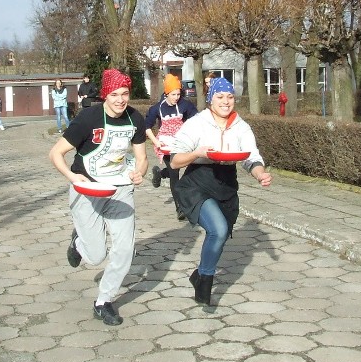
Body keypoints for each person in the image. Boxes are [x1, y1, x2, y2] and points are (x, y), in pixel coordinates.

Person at [49, 69, 148, 326]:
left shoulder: (135, 119)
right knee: (95, 256)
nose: (120, 99)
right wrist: (73, 178)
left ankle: (104, 301)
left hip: (120, 188)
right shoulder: (88, 118)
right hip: (87, 189)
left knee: (125, 248)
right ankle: (78, 243)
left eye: (125, 93)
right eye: (114, 94)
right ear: (105, 94)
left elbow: (142, 158)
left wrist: (140, 173)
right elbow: (55, 154)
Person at [170, 77, 272, 306]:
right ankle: (206, 282)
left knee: (222, 234)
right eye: (220, 97)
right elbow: (175, 161)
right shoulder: (197, 123)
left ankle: (198, 275)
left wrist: (260, 174)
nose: (226, 102)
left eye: (230, 97)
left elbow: (252, 158)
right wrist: (197, 153)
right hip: (198, 182)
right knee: (218, 229)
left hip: (226, 184)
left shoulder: (241, 127)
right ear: (210, 100)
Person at [145, 74, 197, 220]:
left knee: (177, 169)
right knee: (175, 173)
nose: (176, 97)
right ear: (166, 93)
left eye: (178, 94)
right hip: (165, 143)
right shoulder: (157, 108)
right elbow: (147, 127)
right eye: (173, 94)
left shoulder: (185, 105)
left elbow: (196, 119)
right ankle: (179, 208)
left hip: (181, 141)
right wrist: (156, 142)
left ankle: (160, 173)